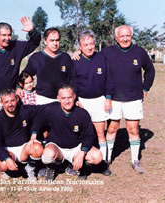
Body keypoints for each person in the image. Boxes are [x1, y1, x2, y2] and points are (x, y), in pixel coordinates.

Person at [102, 25, 155, 174]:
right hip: (113, 98)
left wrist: (145, 88)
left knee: (133, 129)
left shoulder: (140, 52)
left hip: (133, 98)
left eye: (128, 36)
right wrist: (78, 54)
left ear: (132, 36)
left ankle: (135, 160)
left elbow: (150, 70)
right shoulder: (107, 52)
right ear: (116, 38)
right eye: (122, 36)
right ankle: (107, 159)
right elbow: (93, 59)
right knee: (112, 128)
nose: (125, 39)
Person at [32, 85, 102, 180]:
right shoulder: (51, 109)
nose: (67, 101)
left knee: (97, 156)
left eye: (69, 97)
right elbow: (37, 118)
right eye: (63, 98)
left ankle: (80, 167)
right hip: (57, 147)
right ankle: (51, 167)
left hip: (76, 148)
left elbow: (89, 135)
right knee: (48, 154)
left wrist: (82, 152)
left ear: (74, 97)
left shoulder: (82, 113)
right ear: (58, 99)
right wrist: (34, 135)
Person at [73, 30, 113, 175]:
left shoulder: (101, 58)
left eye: (91, 43)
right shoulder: (75, 61)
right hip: (82, 102)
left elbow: (109, 79)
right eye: (86, 44)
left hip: (99, 101)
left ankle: (103, 164)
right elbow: (72, 83)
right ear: (80, 46)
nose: (89, 47)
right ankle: (82, 166)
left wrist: (108, 97)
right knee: (81, 133)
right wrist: (76, 100)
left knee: (100, 133)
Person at [0, 89, 43, 180]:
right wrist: (7, 158)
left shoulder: (25, 110)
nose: (10, 104)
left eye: (12, 100)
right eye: (6, 102)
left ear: (17, 99)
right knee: (2, 165)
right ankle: (10, 170)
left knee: (38, 148)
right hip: (8, 149)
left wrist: (34, 133)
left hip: (24, 147)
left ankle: (30, 168)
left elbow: (42, 111)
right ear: (2, 103)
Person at [19, 27, 76, 105]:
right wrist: (18, 88)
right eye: (52, 40)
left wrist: (73, 97)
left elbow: (72, 79)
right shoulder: (36, 57)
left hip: (62, 100)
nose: (55, 43)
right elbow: (25, 74)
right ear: (45, 41)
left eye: (57, 40)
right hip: (42, 100)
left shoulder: (65, 57)